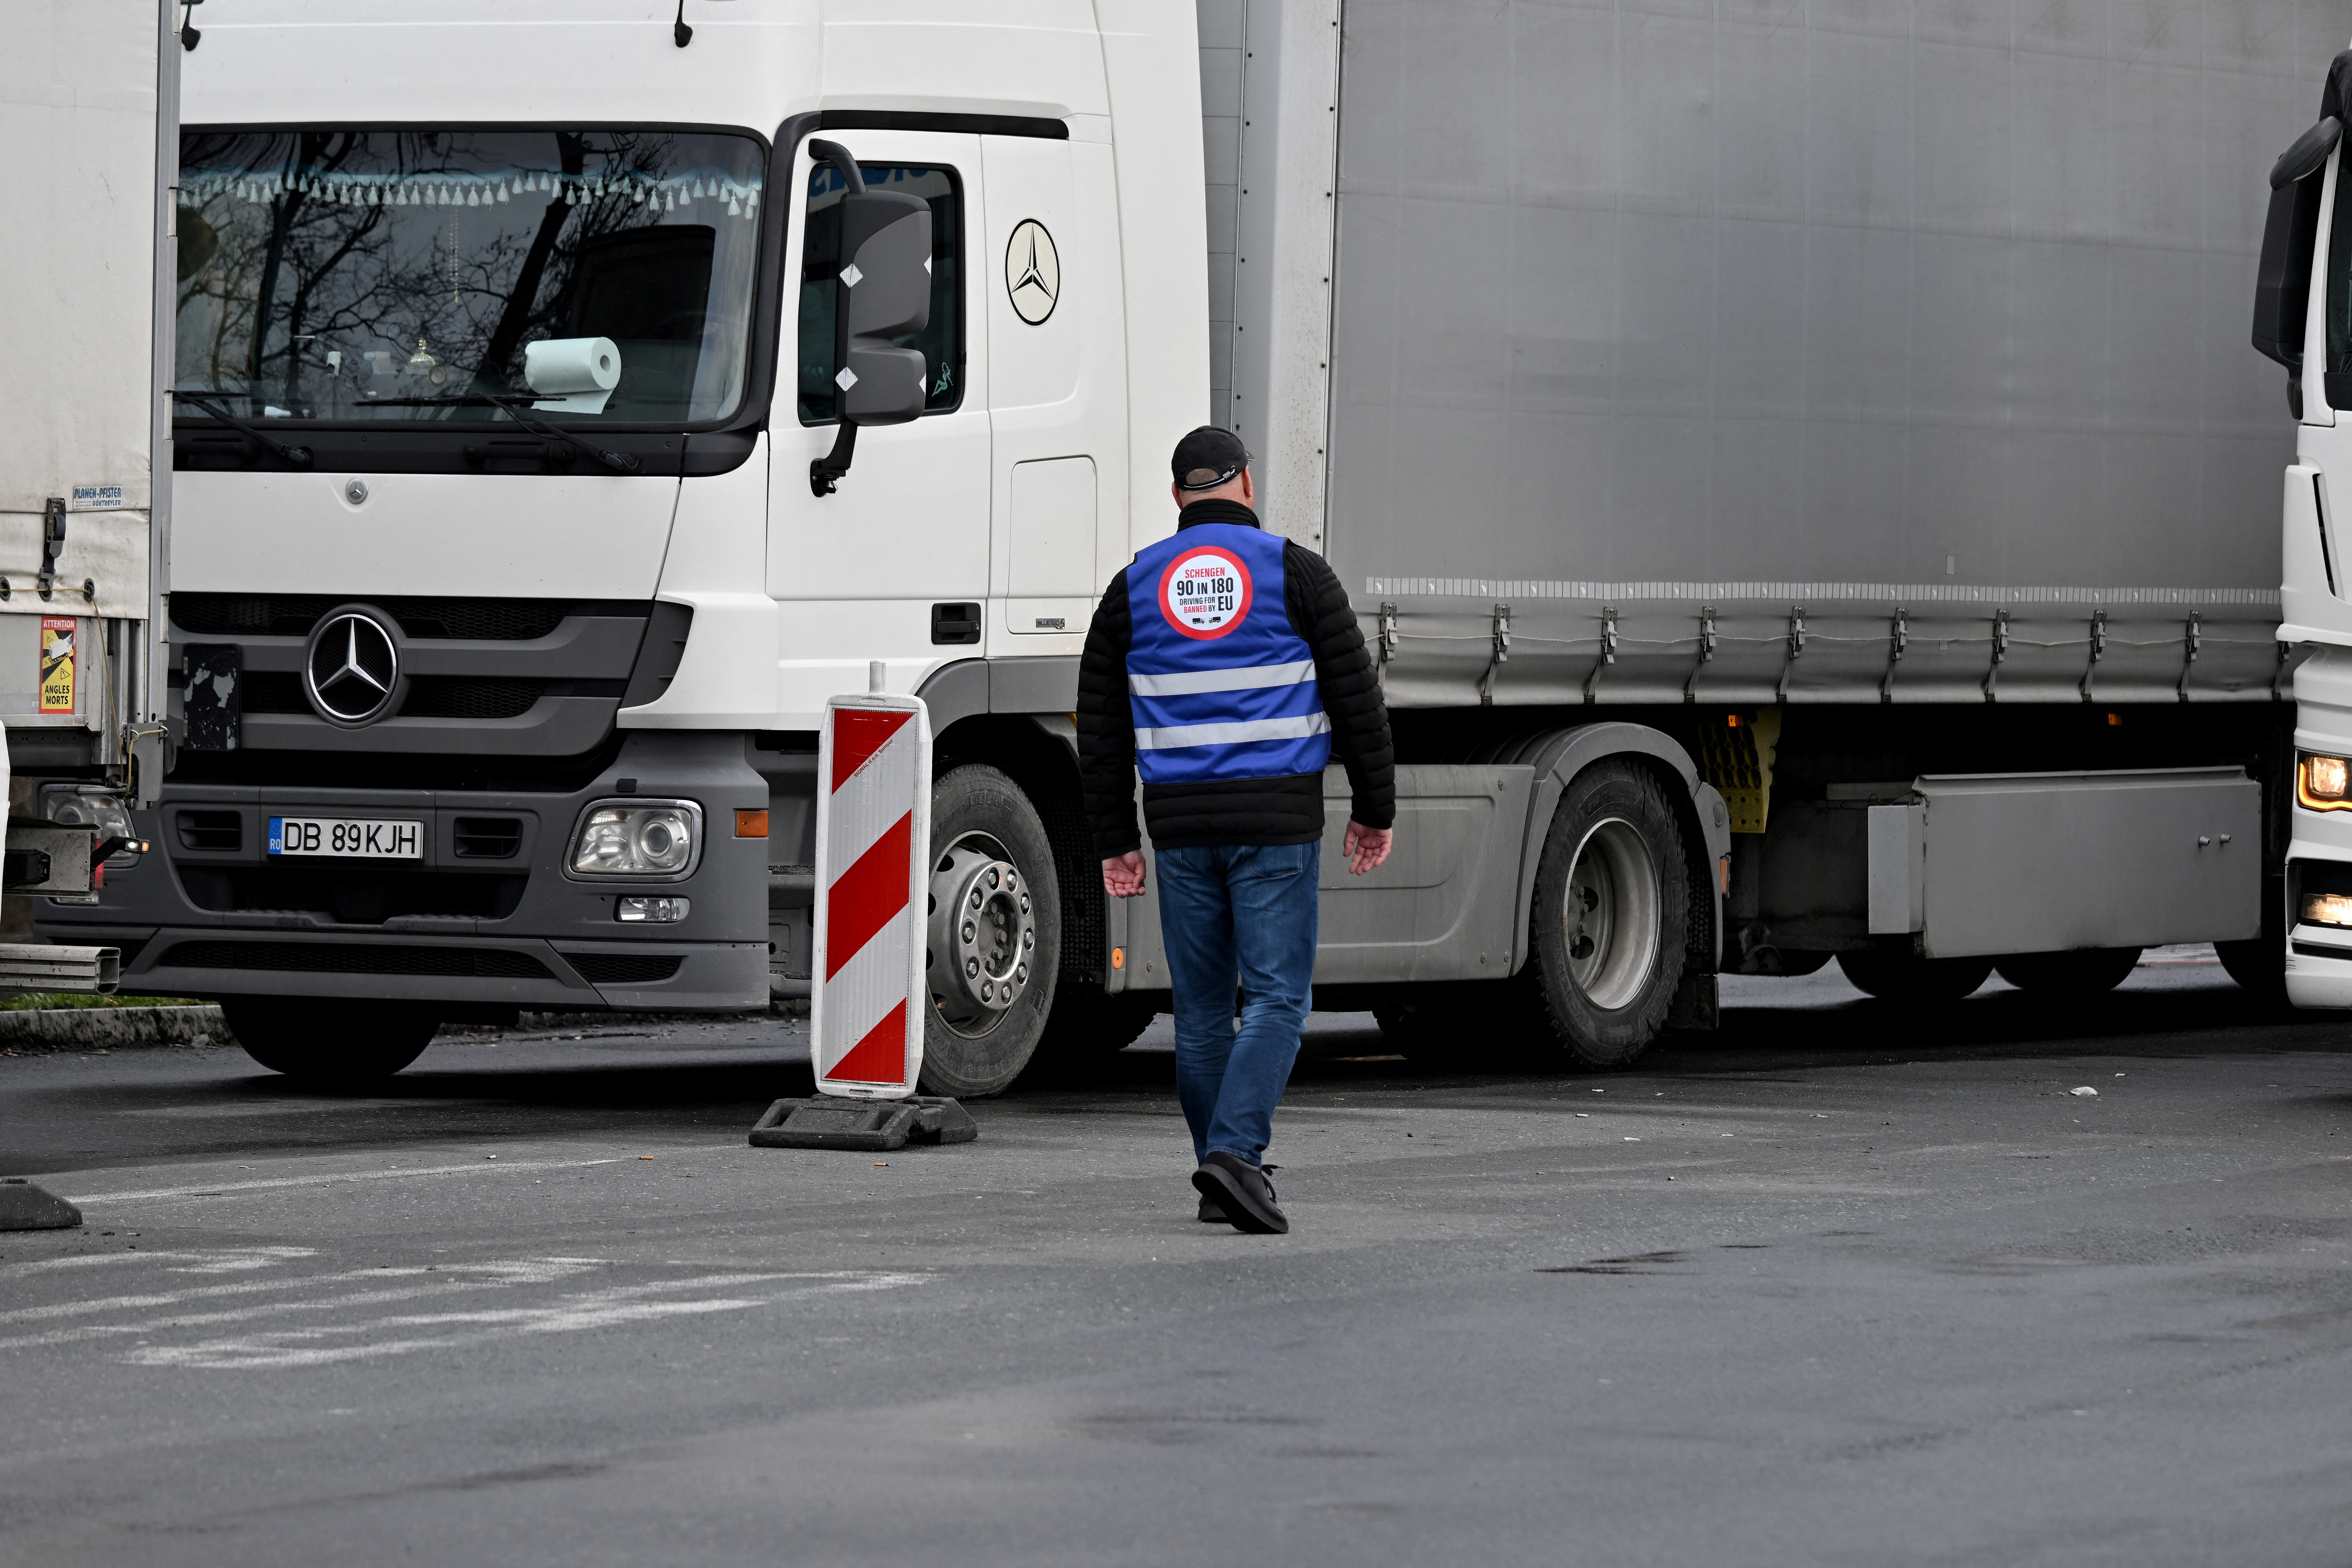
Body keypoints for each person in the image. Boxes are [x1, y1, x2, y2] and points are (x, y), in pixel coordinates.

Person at [1076, 427, 1395, 1234]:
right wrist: (1374, 808)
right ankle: (1235, 1155)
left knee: (1201, 1012)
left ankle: (1220, 1174)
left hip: (1180, 828)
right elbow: (1357, 701)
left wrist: (1115, 837)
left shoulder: (1133, 587)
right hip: (1276, 824)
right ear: (1246, 484)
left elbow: (1101, 727)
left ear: (1177, 495)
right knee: (1278, 998)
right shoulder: (1296, 572)